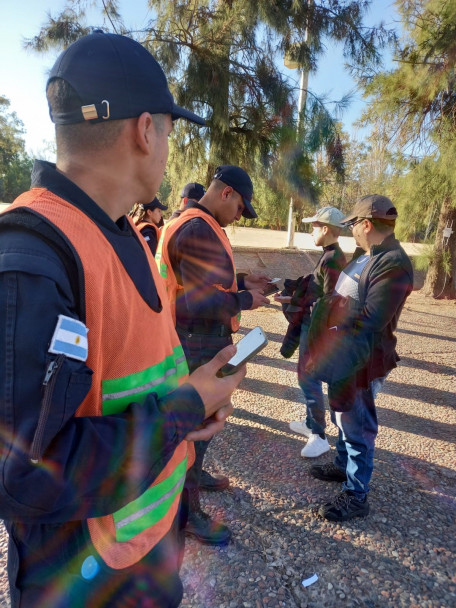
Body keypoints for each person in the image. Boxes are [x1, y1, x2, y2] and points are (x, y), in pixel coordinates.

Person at [0, 31, 246, 608]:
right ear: (145, 129)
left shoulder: (126, 234)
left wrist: (191, 408)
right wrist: (183, 410)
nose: (167, 144)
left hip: (147, 556)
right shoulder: (30, 261)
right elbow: (26, 475)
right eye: (168, 128)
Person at [157, 165, 270, 545]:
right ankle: (187, 515)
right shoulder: (198, 229)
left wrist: (241, 282)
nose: (241, 215)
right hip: (195, 342)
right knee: (192, 428)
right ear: (226, 194)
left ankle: (196, 473)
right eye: (241, 206)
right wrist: (244, 300)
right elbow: (196, 298)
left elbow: (202, 280)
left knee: (199, 427)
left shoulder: (197, 224)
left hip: (195, 338)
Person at [308, 195, 413, 522]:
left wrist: (331, 317)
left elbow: (372, 318)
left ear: (367, 224)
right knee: (343, 418)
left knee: (357, 427)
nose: (351, 229)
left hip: (361, 362)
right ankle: (343, 465)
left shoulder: (393, 262)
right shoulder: (367, 255)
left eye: (354, 224)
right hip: (343, 357)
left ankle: (356, 495)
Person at [278, 207, 346, 458]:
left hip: (317, 329)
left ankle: (318, 435)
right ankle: (310, 424)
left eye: (315, 227)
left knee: (308, 378)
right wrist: (289, 296)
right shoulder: (328, 255)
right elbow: (315, 289)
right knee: (307, 377)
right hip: (311, 324)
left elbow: (332, 301)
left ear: (326, 229)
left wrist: (298, 305)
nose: (312, 231)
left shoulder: (332, 259)